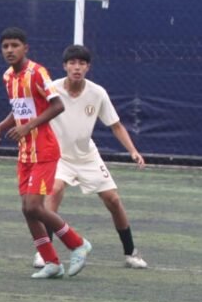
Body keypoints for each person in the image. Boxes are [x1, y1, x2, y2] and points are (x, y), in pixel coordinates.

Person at [29, 44, 148, 270]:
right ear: (64, 66)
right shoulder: (51, 89)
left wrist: (133, 151)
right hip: (58, 156)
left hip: (87, 157)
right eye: (72, 63)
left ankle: (131, 253)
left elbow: (116, 125)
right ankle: (44, 254)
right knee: (54, 191)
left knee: (113, 200)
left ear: (88, 67)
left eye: (81, 63)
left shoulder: (97, 92)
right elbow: (34, 116)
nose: (77, 67)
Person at [0, 27, 91, 279]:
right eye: (5, 46)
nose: (10, 50)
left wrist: (29, 125)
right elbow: (19, 109)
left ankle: (78, 244)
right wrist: (1, 126)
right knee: (27, 208)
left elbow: (58, 105)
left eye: (15, 45)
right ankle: (52, 262)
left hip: (44, 149)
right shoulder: (8, 77)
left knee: (34, 205)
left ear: (26, 48)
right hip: (25, 153)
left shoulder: (37, 72)